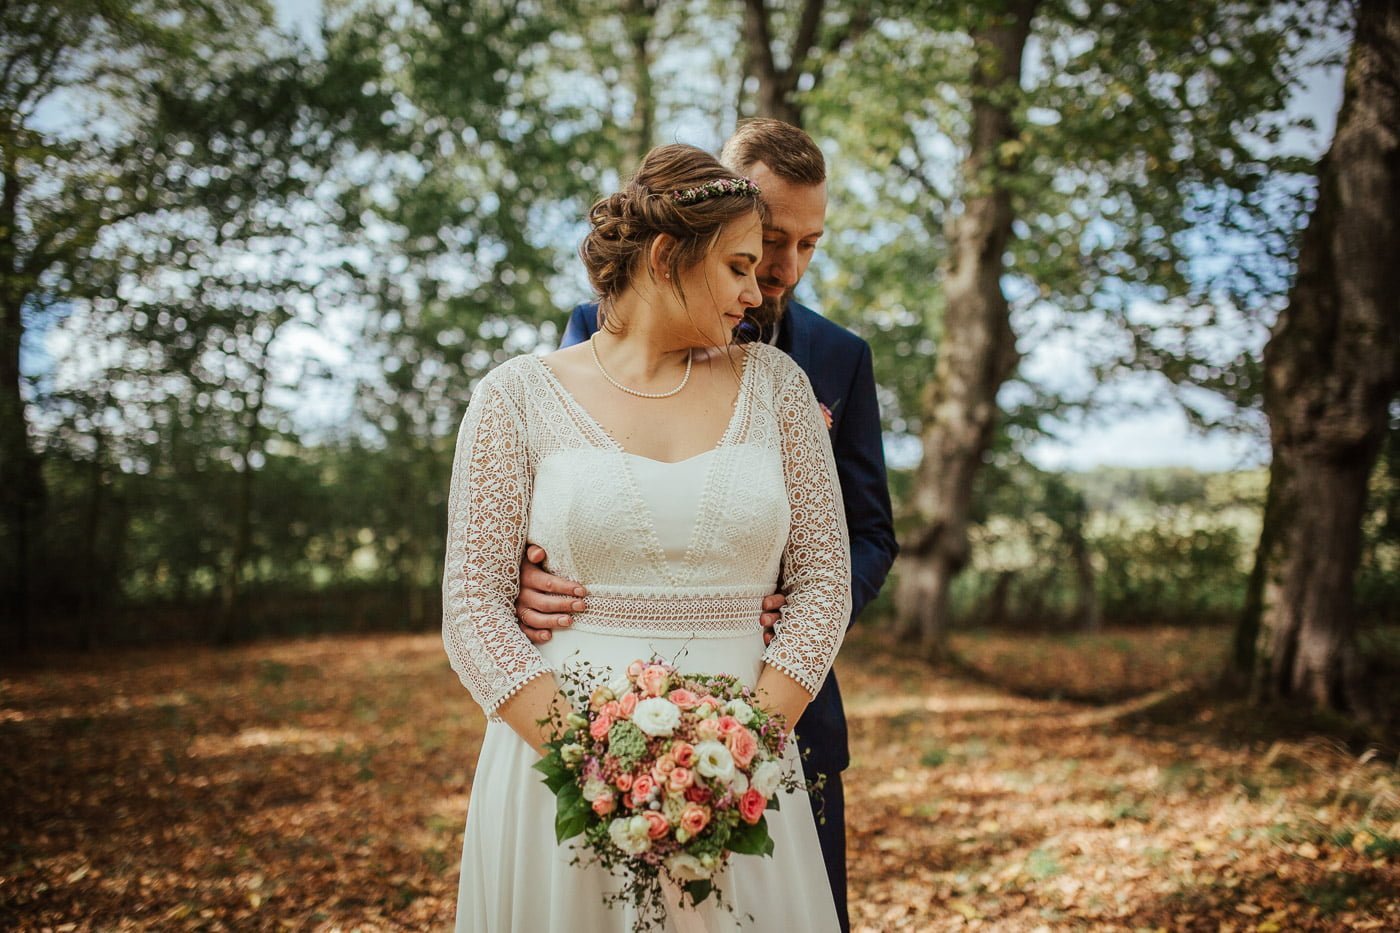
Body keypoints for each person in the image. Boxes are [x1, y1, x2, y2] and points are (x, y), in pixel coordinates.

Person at [443, 142, 851, 931]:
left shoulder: (779, 389)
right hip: (556, 775)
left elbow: (825, 580)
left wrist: (735, 755)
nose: (755, 291)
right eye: (738, 266)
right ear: (667, 256)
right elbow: (472, 607)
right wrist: (600, 771)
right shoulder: (516, 396)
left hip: (744, 776)